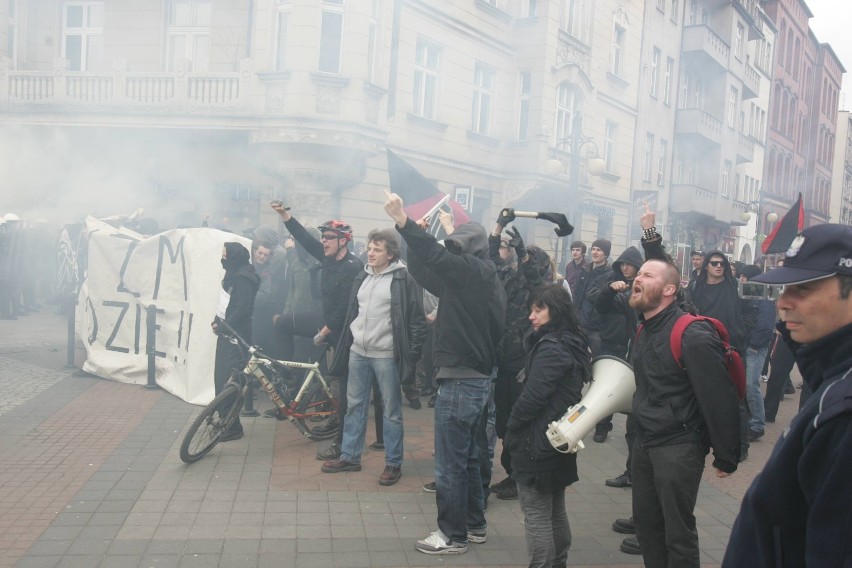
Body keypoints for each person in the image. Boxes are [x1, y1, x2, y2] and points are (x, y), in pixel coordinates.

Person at [383, 189, 505, 555]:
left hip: (463, 377)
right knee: (467, 458)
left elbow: (437, 257)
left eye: (456, 248)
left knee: (451, 462)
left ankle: (452, 535)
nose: (451, 254)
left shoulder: (475, 271)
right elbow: (424, 269)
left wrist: (404, 223)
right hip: (472, 377)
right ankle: (474, 524)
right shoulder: (473, 277)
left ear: (470, 251)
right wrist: (416, 241)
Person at [724, 224, 852, 567]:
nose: (783, 303)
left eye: (804, 289)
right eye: (784, 288)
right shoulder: (832, 378)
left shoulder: (844, 412)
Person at [629, 259, 740, 567]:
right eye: (638, 273)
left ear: (669, 289)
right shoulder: (644, 327)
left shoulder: (692, 334)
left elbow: (719, 398)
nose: (636, 278)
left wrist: (727, 454)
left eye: (646, 275)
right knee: (646, 525)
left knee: (677, 533)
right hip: (645, 442)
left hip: (678, 446)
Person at [320, 229, 426, 486]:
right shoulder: (362, 276)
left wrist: (409, 356)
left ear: (391, 253)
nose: (370, 252)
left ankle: (393, 463)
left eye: (377, 249)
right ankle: (350, 456)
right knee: (354, 406)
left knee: (391, 411)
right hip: (358, 351)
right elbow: (353, 313)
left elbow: (417, 321)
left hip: (386, 355)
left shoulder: (403, 279)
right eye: (369, 247)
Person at [505, 284, 591, 568]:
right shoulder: (572, 341)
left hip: (537, 442)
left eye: (539, 309)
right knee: (554, 509)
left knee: (537, 514)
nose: (532, 315)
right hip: (557, 438)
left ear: (556, 311)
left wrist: (512, 428)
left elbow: (533, 397)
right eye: (532, 308)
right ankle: (559, 563)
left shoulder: (552, 347)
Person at [270, 201, 363, 459]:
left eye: (329, 238)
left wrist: (324, 331)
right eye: (323, 237)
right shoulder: (326, 256)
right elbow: (303, 238)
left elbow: (345, 307)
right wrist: (286, 216)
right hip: (326, 321)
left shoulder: (352, 266)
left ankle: (342, 444)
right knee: (283, 324)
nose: (324, 241)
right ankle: (288, 377)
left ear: (343, 241)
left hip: (344, 330)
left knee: (345, 394)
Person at [488, 211, 546, 502]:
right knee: (503, 421)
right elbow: (490, 258)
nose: (506, 254)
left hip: (520, 362)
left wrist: (524, 253)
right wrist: (497, 229)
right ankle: (510, 473)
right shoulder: (504, 276)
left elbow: (535, 280)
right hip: (500, 358)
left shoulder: (533, 289)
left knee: (517, 421)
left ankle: (518, 477)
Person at [688, 251, 756, 460]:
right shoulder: (694, 287)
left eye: (722, 264)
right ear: (706, 266)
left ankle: (741, 445)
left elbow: (752, 310)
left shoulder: (736, 287)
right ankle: (700, 439)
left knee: (737, 399)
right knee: (697, 394)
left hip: (731, 348)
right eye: (714, 263)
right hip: (702, 346)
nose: (718, 267)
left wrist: (742, 330)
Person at [211, 242, 260, 442]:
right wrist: (217, 321)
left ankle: (231, 426)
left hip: (235, 338)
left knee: (227, 381)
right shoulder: (234, 274)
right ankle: (227, 421)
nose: (222, 259)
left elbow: (241, 309)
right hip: (228, 334)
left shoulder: (243, 278)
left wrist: (223, 326)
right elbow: (226, 303)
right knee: (222, 380)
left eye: (225, 255)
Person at [739, 265, 774, 442]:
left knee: (751, 385)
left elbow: (766, 322)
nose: (742, 279)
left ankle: (757, 425)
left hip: (755, 346)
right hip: (747, 343)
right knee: (746, 385)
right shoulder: (749, 292)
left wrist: (754, 343)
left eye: (745, 276)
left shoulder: (761, 292)